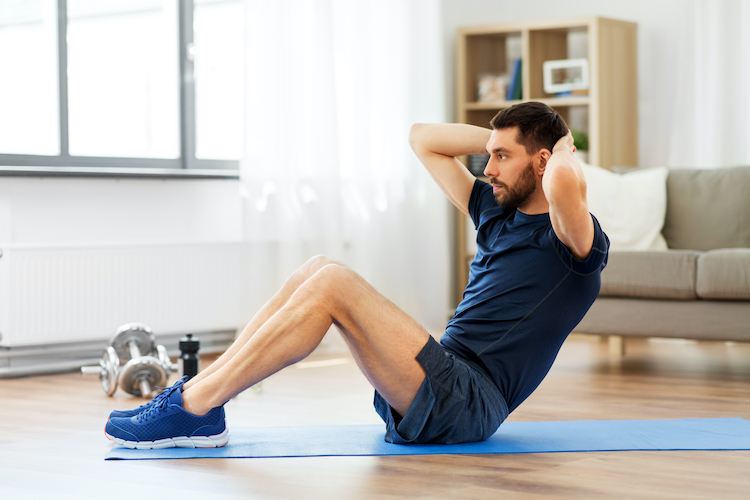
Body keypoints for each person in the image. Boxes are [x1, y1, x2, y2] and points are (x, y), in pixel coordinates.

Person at [105, 101, 609, 449]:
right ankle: (197, 395)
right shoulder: (497, 211)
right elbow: (423, 139)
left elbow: (564, 181)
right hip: (432, 382)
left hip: (469, 403)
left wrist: (558, 146)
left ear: (542, 162)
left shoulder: (572, 241)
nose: (488, 167)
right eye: (490, 155)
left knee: (335, 284)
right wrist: (505, 139)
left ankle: (194, 410)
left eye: (501, 157)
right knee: (318, 268)